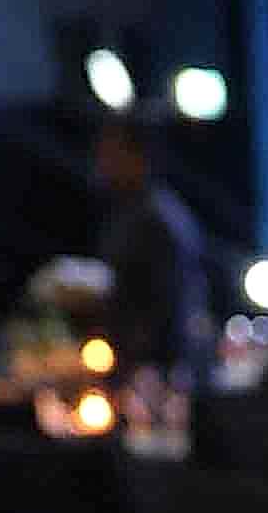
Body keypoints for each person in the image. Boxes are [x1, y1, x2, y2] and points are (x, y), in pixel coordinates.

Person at [83, 118, 212, 371]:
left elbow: (168, 307)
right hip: (134, 360)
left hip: (156, 367)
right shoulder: (126, 211)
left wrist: (134, 362)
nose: (102, 164)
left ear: (137, 156)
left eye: (111, 153)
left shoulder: (158, 218)